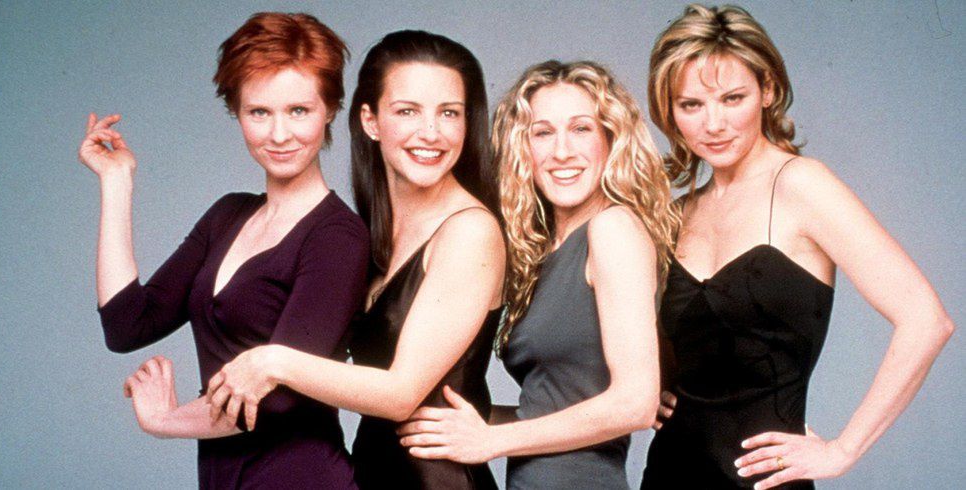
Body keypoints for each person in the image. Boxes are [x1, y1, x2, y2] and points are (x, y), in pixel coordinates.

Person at [642, 5, 955, 489]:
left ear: (767, 90)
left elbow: (927, 320)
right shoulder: (678, 213)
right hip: (668, 473)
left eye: (733, 98)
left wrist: (843, 450)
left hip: (765, 482)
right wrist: (652, 387)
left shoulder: (803, 185)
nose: (714, 123)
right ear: (670, 111)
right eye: (691, 105)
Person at [78, 12, 368, 488]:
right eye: (259, 112)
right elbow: (127, 324)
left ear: (331, 109)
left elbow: (274, 398)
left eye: (299, 110)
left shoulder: (338, 237)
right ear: (236, 112)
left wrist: (165, 421)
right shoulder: (227, 215)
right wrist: (116, 182)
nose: (279, 134)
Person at [204, 30, 505, 489]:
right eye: (407, 111)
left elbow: (401, 394)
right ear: (370, 121)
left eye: (449, 113)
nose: (431, 132)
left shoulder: (470, 232)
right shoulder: (376, 231)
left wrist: (271, 362)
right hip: (371, 476)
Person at [398, 60, 679, 489]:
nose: (562, 151)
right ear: (522, 149)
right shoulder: (543, 250)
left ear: (610, 139)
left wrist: (490, 440)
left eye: (581, 129)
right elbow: (553, 407)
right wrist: (469, 420)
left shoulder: (613, 229)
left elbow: (635, 405)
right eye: (542, 133)